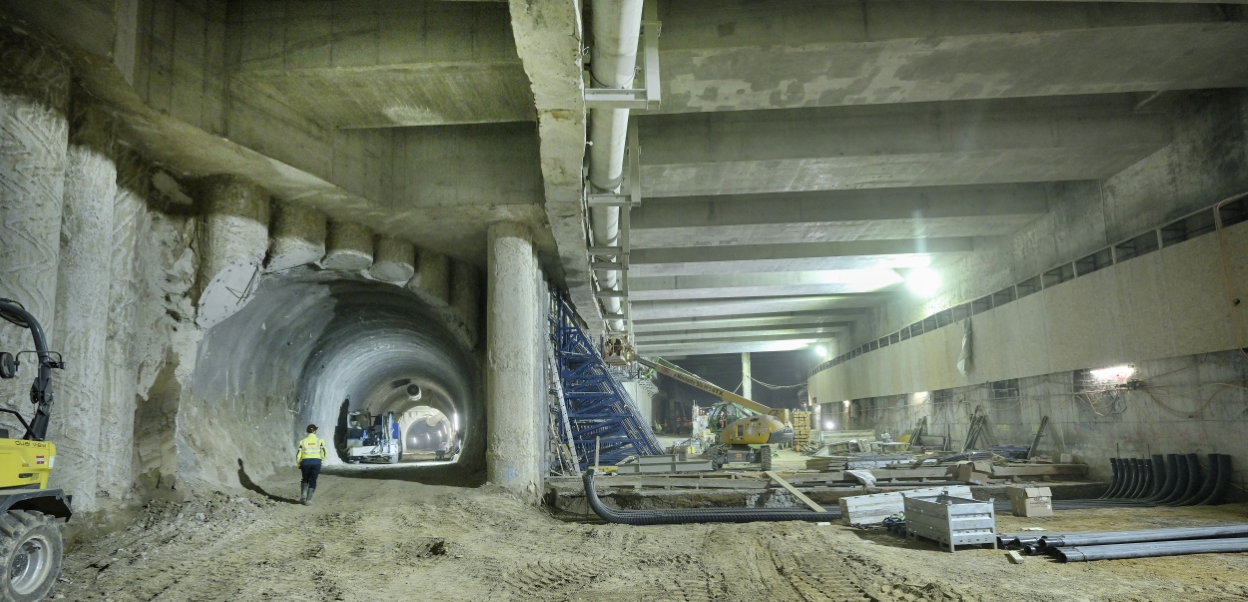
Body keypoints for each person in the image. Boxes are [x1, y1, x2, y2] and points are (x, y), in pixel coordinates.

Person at [296, 424, 327, 505]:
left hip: (305, 462)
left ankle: (303, 495)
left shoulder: (302, 441)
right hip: (316, 462)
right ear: (315, 431)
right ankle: (308, 500)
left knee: (305, 479)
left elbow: (298, 454)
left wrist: (299, 463)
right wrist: (322, 460)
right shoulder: (320, 441)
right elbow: (324, 452)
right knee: (313, 480)